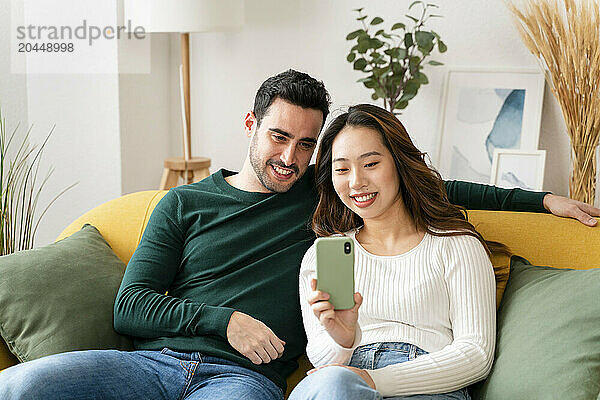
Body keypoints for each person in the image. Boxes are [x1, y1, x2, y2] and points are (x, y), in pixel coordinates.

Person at [0, 70, 597, 400]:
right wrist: (224, 321)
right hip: (152, 365)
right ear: (251, 126)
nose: (292, 157)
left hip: (244, 381)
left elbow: (429, 183)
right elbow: (130, 306)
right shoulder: (184, 203)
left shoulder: (329, 194)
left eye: (308, 144)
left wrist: (543, 198)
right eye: (279, 137)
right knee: (21, 387)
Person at [288, 103, 594, 400]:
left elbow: (475, 353)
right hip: (343, 383)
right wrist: (342, 339)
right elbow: (321, 359)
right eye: (342, 169)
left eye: (370, 164)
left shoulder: (455, 245)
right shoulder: (321, 257)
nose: (356, 182)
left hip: (428, 384)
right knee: (332, 384)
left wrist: (376, 379)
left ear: (399, 163)